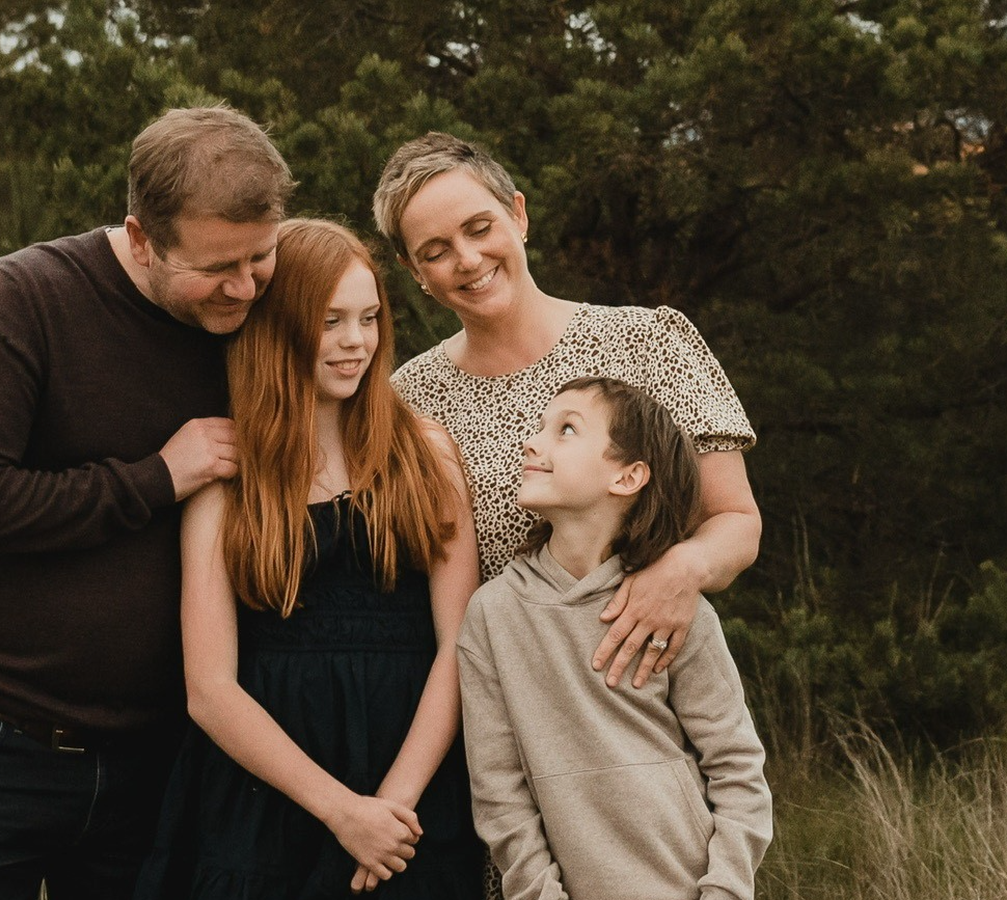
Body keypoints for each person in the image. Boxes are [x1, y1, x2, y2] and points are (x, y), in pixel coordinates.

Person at [0, 105, 295, 900]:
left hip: (158, 755)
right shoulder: (30, 294)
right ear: (141, 239)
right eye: (218, 267)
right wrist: (155, 478)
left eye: (262, 255)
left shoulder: (260, 315)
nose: (245, 285)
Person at [133, 218, 483, 898]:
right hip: (271, 795)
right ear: (279, 328)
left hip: (410, 788)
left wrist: (390, 808)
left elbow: (461, 643)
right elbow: (210, 689)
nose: (357, 342)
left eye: (369, 318)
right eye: (330, 322)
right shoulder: (229, 478)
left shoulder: (424, 454)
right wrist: (342, 811)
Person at [374, 131, 761, 692]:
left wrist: (684, 568)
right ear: (415, 272)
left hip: (649, 690)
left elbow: (737, 521)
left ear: (518, 214)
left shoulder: (647, 341)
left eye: (479, 228)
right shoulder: (406, 400)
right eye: (435, 252)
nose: (468, 260)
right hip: (507, 700)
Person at [458, 376, 773, 899]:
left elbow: (738, 770)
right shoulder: (493, 615)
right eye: (539, 427)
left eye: (565, 429)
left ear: (628, 476)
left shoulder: (676, 611)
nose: (532, 442)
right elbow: (499, 794)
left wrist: (725, 890)